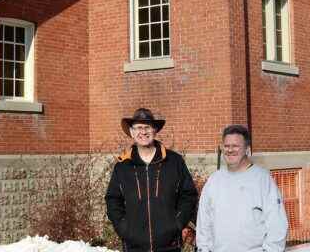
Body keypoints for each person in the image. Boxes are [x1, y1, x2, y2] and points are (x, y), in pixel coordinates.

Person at [105, 108, 198, 252]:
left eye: (147, 127)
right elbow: (113, 200)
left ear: (155, 130)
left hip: (169, 246)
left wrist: (178, 223)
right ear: (131, 132)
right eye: (138, 128)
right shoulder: (122, 166)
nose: (143, 132)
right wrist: (123, 228)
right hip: (134, 247)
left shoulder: (174, 161)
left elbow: (189, 195)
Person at [196, 124, 288, 252]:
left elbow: (277, 226)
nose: (230, 150)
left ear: (247, 149)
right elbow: (203, 224)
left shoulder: (262, 180)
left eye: (235, 146)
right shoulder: (214, 180)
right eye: (227, 146)